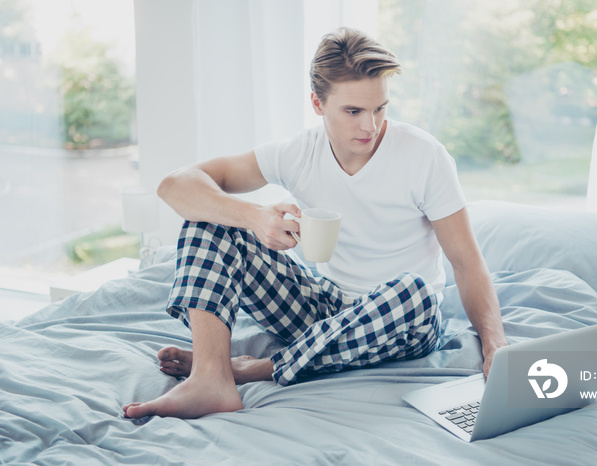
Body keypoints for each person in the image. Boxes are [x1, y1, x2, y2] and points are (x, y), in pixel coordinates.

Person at [122, 27, 507, 420]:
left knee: (417, 293)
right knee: (206, 220)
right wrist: (253, 217)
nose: (370, 127)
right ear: (317, 104)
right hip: (324, 308)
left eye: (380, 109)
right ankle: (211, 376)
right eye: (353, 111)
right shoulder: (298, 153)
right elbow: (175, 186)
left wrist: (496, 347)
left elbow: (466, 262)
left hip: (404, 322)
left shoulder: (425, 156)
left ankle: (258, 368)